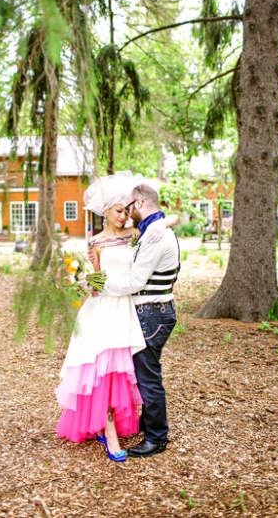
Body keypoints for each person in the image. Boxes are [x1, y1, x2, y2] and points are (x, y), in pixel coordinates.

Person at [55, 172, 176, 462]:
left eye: (126, 210)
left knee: (126, 372)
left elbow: (164, 222)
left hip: (129, 309)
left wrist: (167, 221)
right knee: (103, 371)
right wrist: (80, 280)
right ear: (106, 211)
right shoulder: (95, 242)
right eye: (119, 211)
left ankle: (124, 426)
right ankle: (108, 431)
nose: (124, 216)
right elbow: (96, 283)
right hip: (104, 308)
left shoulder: (136, 235)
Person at [95, 182, 180, 458]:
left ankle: (156, 438)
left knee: (147, 376)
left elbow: (135, 280)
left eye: (130, 207)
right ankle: (148, 424)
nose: (128, 213)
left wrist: (102, 288)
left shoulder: (156, 235)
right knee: (146, 372)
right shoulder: (154, 230)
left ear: (140, 204)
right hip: (152, 311)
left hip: (152, 313)